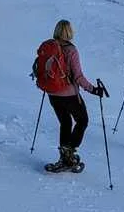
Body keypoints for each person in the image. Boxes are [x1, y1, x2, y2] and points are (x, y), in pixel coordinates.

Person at [44, 19, 108, 172]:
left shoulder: (49, 46)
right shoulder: (71, 50)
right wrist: (93, 89)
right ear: (69, 32)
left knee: (65, 123)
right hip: (69, 94)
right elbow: (78, 76)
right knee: (82, 120)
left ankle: (64, 158)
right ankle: (69, 152)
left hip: (53, 93)